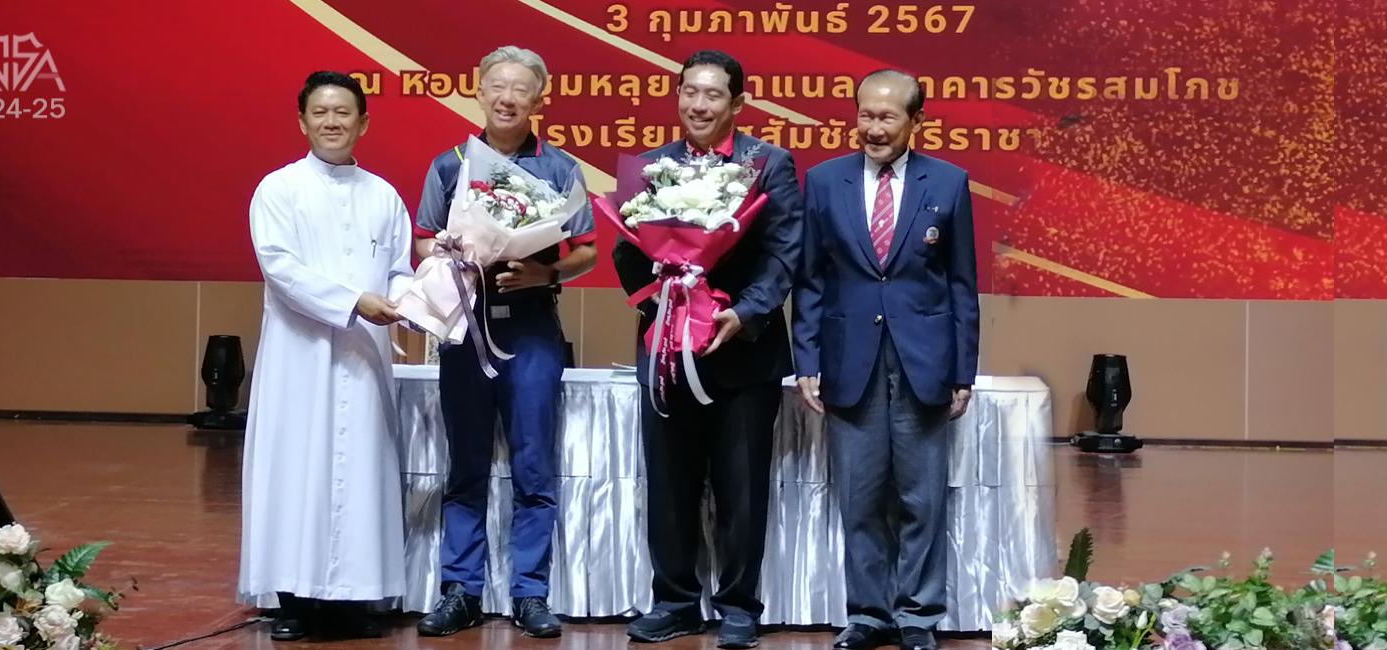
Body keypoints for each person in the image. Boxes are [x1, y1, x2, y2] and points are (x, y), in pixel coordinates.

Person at [612, 49, 803, 650]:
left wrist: (743, 312)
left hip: (743, 352)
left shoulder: (767, 164)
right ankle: (673, 602)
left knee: (741, 488)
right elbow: (625, 248)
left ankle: (739, 607)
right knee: (669, 485)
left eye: (713, 94)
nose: (698, 104)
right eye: (689, 92)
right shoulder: (650, 167)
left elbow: (784, 252)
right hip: (668, 351)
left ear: (737, 103)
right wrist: (665, 302)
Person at [410, 45, 596, 640]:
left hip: (532, 327)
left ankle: (529, 592)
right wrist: (452, 254)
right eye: (497, 86)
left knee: (533, 466)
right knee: (465, 463)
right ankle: (460, 590)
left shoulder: (560, 169)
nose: (507, 98)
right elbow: (421, 240)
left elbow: (587, 250)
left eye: (521, 89)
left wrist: (546, 272)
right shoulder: (450, 165)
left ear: (540, 99)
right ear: (479, 90)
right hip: (466, 327)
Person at [791, 69, 980, 650]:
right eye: (865, 116)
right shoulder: (825, 181)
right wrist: (806, 361)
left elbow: (961, 285)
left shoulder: (947, 182)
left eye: (887, 117)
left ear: (916, 121)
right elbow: (810, 279)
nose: (873, 129)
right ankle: (869, 614)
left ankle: (918, 616)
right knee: (861, 497)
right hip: (849, 360)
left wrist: (963, 371)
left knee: (922, 499)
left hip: (924, 361)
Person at [238, 70, 413, 641]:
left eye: (343, 112)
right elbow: (280, 268)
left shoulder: (383, 195)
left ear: (363, 123)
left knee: (361, 472)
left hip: (364, 357)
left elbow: (399, 269)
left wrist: (415, 300)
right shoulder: (278, 189)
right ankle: (292, 599)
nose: (332, 122)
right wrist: (354, 301)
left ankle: (352, 602)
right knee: (295, 471)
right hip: (300, 356)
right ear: (302, 121)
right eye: (320, 112)